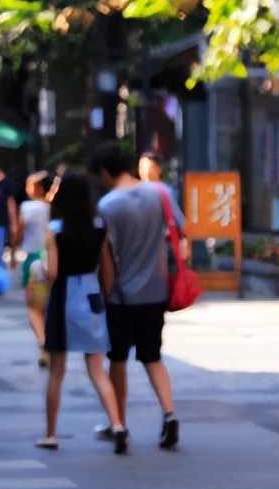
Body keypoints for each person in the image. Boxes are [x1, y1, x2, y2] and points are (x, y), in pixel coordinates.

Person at [87, 142, 180, 451]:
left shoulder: (107, 206)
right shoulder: (160, 193)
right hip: (156, 290)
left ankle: (120, 424)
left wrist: (105, 292)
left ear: (104, 172)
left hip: (121, 296)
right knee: (153, 356)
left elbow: (107, 256)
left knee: (118, 359)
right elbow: (179, 231)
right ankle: (169, 413)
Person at [35, 171, 127, 453]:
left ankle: (51, 433)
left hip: (64, 295)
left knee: (57, 370)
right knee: (97, 369)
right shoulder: (99, 227)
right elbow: (107, 270)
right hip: (91, 293)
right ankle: (117, 425)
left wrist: (40, 270)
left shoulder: (54, 230)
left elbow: (52, 272)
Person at [17, 171, 54, 366]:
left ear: (39, 188)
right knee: (47, 304)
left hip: (34, 262)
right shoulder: (54, 206)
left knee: (34, 307)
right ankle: (47, 343)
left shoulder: (28, 206)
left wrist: (13, 249)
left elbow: (19, 230)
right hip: (52, 260)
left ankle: (42, 340)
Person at [137, 152, 185, 233]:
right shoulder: (133, 191)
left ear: (158, 169)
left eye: (149, 168)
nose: (146, 172)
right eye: (142, 168)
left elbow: (179, 220)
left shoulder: (166, 191)